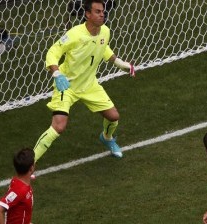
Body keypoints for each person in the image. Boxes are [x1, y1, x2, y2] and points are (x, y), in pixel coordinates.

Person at [33, 0, 135, 162]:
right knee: (58, 126)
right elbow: (53, 52)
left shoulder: (105, 31)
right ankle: (31, 162)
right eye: (97, 11)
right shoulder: (74, 34)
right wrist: (57, 73)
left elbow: (103, 47)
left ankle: (107, 138)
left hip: (89, 84)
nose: (102, 14)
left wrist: (120, 63)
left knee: (113, 116)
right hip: (67, 85)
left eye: (103, 11)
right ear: (87, 14)